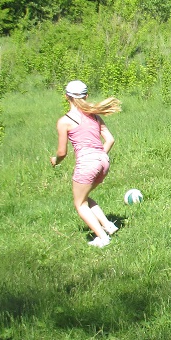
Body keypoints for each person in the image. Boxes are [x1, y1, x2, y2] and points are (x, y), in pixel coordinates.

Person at [50, 80, 121, 248]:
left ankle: (103, 238)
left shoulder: (65, 121)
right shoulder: (95, 116)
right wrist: (99, 156)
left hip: (88, 164)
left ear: (66, 97)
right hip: (103, 161)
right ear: (86, 96)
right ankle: (108, 225)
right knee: (84, 198)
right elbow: (110, 140)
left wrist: (55, 160)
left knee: (80, 204)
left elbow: (62, 153)